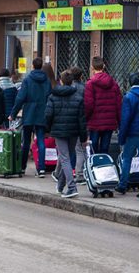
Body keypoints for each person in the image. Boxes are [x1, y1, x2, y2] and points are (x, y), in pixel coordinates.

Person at [45, 70, 87, 198]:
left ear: (61, 81)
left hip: (59, 131)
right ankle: (60, 186)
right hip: (73, 131)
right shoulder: (78, 97)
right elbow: (82, 120)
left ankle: (72, 187)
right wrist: (84, 137)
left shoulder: (53, 96)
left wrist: (47, 130)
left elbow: (48, 115)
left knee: (64, 158)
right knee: (67, 158)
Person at [9, 57, 52, 177]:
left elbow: (20, 98)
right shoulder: (47, 80)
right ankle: (42, 169)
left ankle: (23, 167)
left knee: (26, 142)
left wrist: (13, 114)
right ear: (41, 66)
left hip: (29, 113)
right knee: (41, 141)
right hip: (42, 113)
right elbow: (50, 97)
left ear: (33, 66)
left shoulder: (27, 80)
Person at [84, 56, 122, 154]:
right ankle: (104, 167)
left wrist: (85, 119)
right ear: (104, 66)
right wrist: (119, 121)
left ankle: (95, 167)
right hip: (109, 121)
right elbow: (118, 104)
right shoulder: (113, 83)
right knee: (105, 148)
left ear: (92, 67)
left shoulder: (90, 84)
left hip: (94, 121)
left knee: (94, 148)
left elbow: (89, 105)